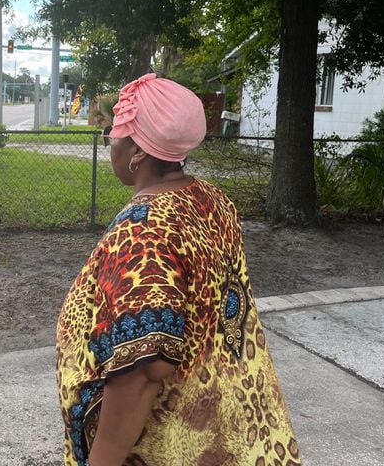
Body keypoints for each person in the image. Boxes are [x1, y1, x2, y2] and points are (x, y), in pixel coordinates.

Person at [56, 73, 300, 466]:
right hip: (227, 423)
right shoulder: (211, 199)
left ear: (137, 151)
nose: (109, 142)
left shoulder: (144, 231)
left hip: (172, 444)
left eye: (115, 133)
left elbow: (144, 371)